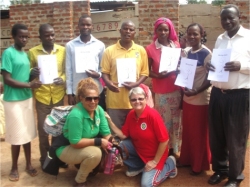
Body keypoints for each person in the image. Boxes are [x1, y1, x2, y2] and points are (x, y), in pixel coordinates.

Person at [206, 5, 250, 187]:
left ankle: (235, 177)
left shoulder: (248, 37)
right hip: (217, 94)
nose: (227, 22)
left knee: (236, 138)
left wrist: (242, 66)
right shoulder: (220, 38)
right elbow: (218, 61)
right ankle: (220, 170)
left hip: (239, 96)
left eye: (231, 18)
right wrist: (210, 65)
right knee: (217, 136)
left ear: (239, 17)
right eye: (224, 19)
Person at [105, 87, 177, 187]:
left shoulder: (153, 115)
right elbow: (124, 135)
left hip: (156, 155)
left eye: (140, 98)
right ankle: (137, 166)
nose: (137, 101)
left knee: (147, 184)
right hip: (140, 151)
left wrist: (155, 161)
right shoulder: (131, 114)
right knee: (121, 145)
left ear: (146, 99)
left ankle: (170, 164)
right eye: (133, 99)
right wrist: (110, 121)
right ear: (130, 101)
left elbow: (164, 140)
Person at [1, 23, 42, 182]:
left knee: (27, 133)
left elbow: (24, 77)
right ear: (14, 36)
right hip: (13, 100)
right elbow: (8, 79)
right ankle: (14, 167)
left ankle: (29, 164)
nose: (24, 39)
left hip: (26, 98)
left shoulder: (25, 55)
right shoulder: (8, 54)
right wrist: (29, 85)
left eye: (26, 37)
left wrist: (33, 75)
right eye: (21, 36)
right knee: (17, 135)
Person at [56, 77, 112, 187]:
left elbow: (106, 133)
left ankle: (88, 166)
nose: (93, 102)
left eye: (96, 98)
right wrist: (99, 141)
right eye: (88, 99)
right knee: (95, 153)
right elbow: (75, 142)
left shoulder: (99, 109)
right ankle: (79, 181)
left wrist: (110, 146)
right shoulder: (76, 115)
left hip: (82, 146)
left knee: (108, 150)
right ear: (81, 98)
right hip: (66, 148)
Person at [28, 24, 66, 167]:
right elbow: (29, 72)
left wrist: (63, 79)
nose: (50, 38)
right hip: (42, 96)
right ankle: (45, 159)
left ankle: (58, 157)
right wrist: (33, 73)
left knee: (58, 129)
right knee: (44, 130)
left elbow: (64, 70)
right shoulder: (33, 52)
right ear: (40, 37)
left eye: (52, 35)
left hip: (58, 95)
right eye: (46, 35)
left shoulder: (62, 51)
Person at [101, 20, 149, 129]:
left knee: (136, 134)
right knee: (116, 135)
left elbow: (145, 72)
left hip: (135, 101)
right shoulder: (109, 51)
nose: (128, 32)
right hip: (115, 101)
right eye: (125, 29)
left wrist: (136, 84)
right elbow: (104, 72)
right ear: (120, 31)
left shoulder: (140, 50)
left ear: (134, 33)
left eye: (131, 30)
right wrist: (108, 84)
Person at [145, 17, 182, 156]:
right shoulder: (150, 49)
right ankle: (164, 151)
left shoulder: (176, 46)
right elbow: (147, 71)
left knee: (177, 122)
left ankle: (176, 150)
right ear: (156, 31)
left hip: (176, 90)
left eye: (166, 29)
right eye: (160, 29)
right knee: (164, 122)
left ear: (170, 30)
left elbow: (181, 63)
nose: (163, 32)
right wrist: (158, 76)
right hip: (161, 91)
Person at [179, 23, 211, 175]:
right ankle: (187, 160)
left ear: (202, 34)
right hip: (187, 98)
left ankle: (198, 165)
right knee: (188, 132)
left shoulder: (206, 54)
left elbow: (211, 78)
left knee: (199, 133)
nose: (192, 37)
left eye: (195, 34)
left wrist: (196, 90)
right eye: (189, 34)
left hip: (200, 99)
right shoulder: (186, 52)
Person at [66, 15, 106, 110]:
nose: (85, 27)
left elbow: (103, 68)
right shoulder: (70, 45)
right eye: (82, 24)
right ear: (78, 26)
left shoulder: (100, 45)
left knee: (97, 117)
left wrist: (98, 74)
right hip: (77, 91)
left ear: (92, 26)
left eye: (88, 25)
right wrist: (69, 93)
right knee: (80, 117)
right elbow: (68, 70)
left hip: (96, 90)